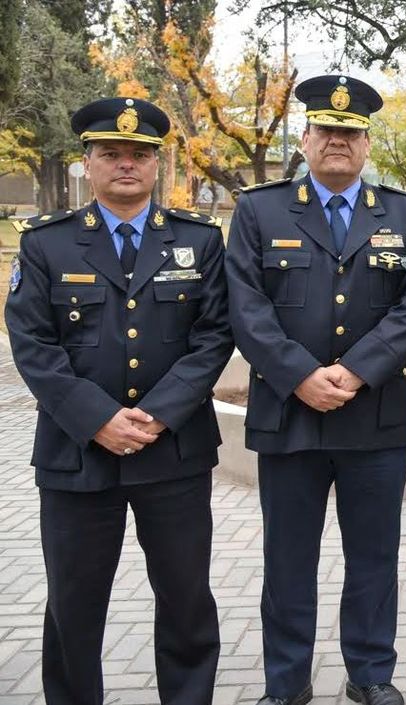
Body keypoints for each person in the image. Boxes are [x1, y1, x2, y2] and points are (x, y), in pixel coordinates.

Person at [5, 97, 231, 705]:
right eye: (111, 154)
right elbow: (32, 343)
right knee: (73, 603)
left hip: (174, 450)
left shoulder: (198, 240)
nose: (126, 164)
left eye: (139, 155)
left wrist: (158, 414)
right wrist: (98, 418)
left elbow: (214, 337)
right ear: (88, 163)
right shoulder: (47, 244)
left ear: (156, 164)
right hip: (78, 454)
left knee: (186, 597)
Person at [224, 75, 406, 705]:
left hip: (374, 417)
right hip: (289, 417)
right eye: (326, 130)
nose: (337, 142)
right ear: (306, 138)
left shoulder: (405, 214)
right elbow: (245, 305)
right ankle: (286, 685)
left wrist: (358, 369)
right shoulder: (260, 210)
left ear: (366, 144)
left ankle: (370, 674)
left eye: (350, 133)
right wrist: (300, 376)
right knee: (288, 563)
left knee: (373, 559)